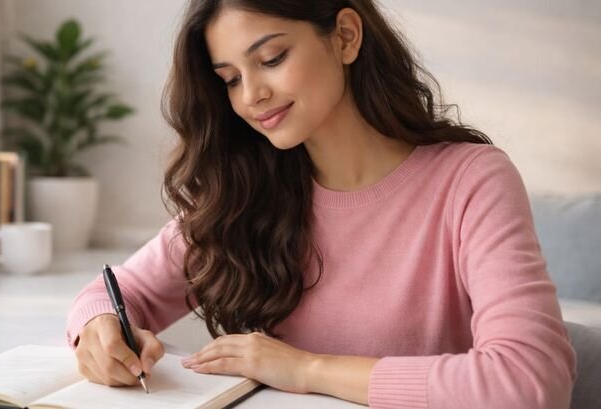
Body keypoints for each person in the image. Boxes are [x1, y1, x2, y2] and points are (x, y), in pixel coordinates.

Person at [66, 0, 577, 407]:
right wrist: (98, 329)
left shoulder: (470, 181)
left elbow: (530, 384)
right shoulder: (246, 195)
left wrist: (306, 369)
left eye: (271, 59)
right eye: (231, 79)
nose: (251, 96)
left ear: (346, 37)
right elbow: (114, 291)